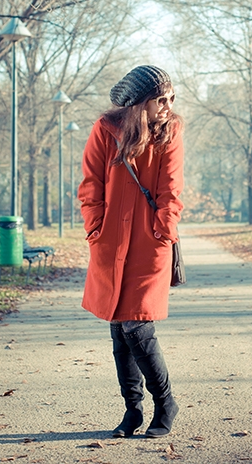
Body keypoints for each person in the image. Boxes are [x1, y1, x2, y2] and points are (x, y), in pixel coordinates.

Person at [78, 65, 184, 439]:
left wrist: (163, 231)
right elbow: (90, 184)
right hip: (109, 243)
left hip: (149, 244)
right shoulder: (106, 130)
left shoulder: (170, 132)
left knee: (136, 325)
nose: (168, 106)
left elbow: (172, 190)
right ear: (140, 103)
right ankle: (132, 411)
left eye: (171, 98)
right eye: (161, 99)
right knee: (119, 331)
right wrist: (95, 230)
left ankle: (165, 401)